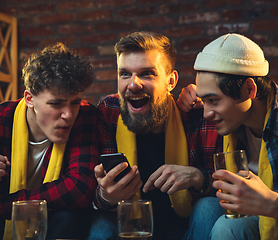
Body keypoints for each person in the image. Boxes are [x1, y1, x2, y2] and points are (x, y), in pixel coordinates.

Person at [176, 33, 278, 239]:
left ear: (250, 89)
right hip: (252, 224)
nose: (206, 113)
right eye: (203, 100)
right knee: (210, 209)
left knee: (227, 228)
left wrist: (273, 203)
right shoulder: (231, 124)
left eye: (214, 100)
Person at [87, 31, 223, 240]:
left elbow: (229, 187)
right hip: (130, 229)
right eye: (124, 74)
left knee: (209, 207)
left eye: (147, 73)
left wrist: (198, 176)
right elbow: (94, 200)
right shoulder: (109, 111)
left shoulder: (196, 116)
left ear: (171, 81)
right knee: (100, 227)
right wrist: (105, 197)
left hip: (185, 230)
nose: (133, 84)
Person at [0, 43, 102, 240]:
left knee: (68, 218)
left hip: (49, 223)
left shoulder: (85, 117)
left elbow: (79, 188)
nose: (68, 115)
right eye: (56, 103)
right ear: (29, 98)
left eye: (75, 102)